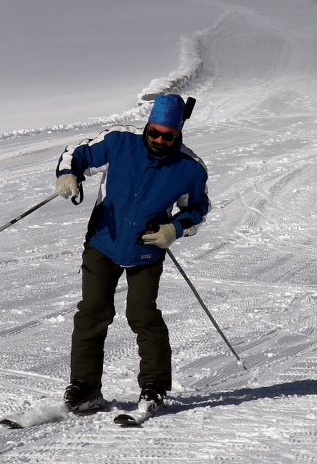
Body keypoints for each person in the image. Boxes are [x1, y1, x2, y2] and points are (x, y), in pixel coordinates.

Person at [54, 94, 210, 417]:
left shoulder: (190, 169)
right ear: (147, 126)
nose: (158, 140)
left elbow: (197, 209)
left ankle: (154, 387)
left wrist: (174, 230)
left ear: (178, 133)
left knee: (142, 315)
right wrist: (68, 174)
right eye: (153, 132)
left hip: (147, 251)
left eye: (167, 136)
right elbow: (77, 154)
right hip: (103, 242)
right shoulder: (121, 142)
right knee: (92, 312)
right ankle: (85, 386)